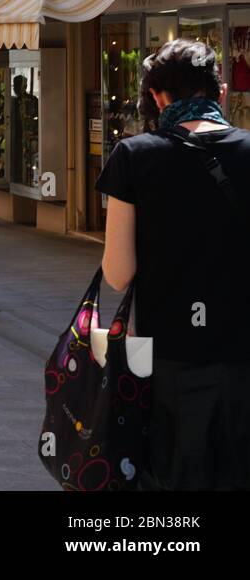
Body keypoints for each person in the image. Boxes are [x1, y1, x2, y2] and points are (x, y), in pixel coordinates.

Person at [98, 39, 250, 490]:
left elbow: (118, 273)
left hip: (167, 356)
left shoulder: (135, 155)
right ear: (219, 90)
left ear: (158, 96)